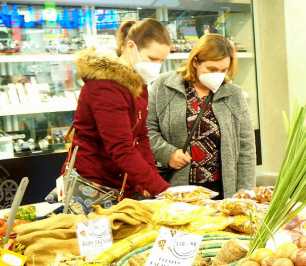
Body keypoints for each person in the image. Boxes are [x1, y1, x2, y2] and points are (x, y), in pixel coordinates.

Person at [66, 19, 172, 212]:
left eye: (162, 61)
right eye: (153, 58)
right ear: (131, 47)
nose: (157, 66)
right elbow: (121, 148)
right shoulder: (106, 86)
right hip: (93, 185)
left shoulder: (137, 82)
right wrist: (163, 190)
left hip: (120, 182)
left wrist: (149, 180)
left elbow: (140, 136)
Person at [147, 33, 256, 199]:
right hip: (177, 187)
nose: (217, 75)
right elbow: (147, 129)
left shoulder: (234, 95)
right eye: (212, 69)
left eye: (223, 70)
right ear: (195, 62)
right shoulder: (163, 86)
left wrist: (245, 194)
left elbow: (246, 147)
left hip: (221, 190)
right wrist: (167, 153)